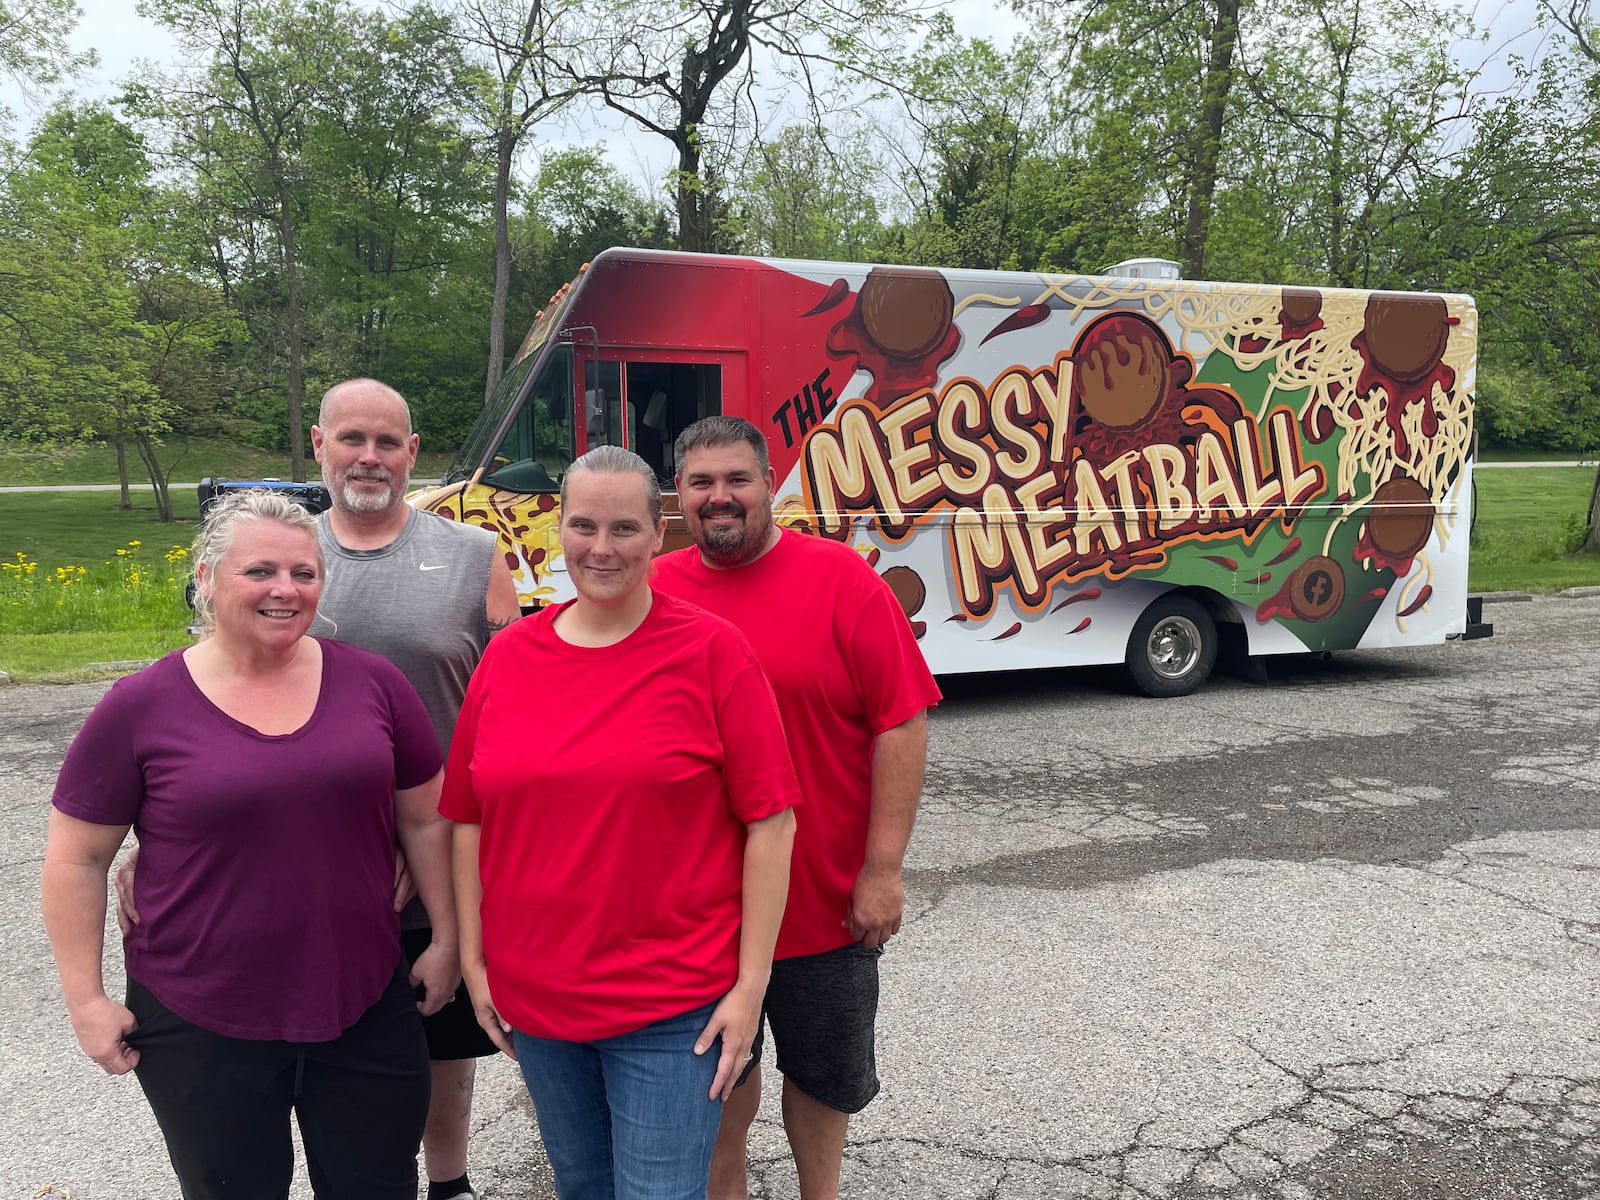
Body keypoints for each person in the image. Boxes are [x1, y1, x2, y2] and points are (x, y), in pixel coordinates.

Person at [117, 377, 521, 1200]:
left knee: (436, 1042)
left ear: (413, 454)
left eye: (387, 442)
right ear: (319, 445)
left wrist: (475, 839)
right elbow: (204, 710)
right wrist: (154, 838)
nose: (368, 457)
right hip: (318, 865)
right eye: (351, 439)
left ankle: (450, 1182)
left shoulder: (474, 557)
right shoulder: (280, 551)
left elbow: (513, 706)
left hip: (433, 843)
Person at [42, 490, 458, 1200]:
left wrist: (446, 938)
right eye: (259, 571)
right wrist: (87, 1000)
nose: (285, 590)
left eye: (304, 573)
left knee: (379, 1188)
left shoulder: (374, 685)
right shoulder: (142, 705)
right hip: (200, 1015)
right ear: (206, 577)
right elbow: (77, 858)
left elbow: (427, 818)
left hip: (361, 1001)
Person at [442, 444, 800, 1200]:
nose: (601, 549)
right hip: (538, 1001)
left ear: (659, 529)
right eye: (582, 526)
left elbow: (771, 821)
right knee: (584, 1188)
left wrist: (750, 988)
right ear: (556, 529)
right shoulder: (508, 659)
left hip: (673, 1007)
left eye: (624, 528)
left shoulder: (711, 653)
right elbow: (467, 818)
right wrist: (475, 960)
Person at [650, 416, 942, 1200]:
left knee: (822, 1077)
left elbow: (902, 720)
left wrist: (882, 869)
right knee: (718, 1077)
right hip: (700, 907)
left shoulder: (842, 579)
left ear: (770, 486)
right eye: (701, 482)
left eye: (737, 480)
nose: (720, 497)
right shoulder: (654, 591)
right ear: (676, 494)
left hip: (825, 899)